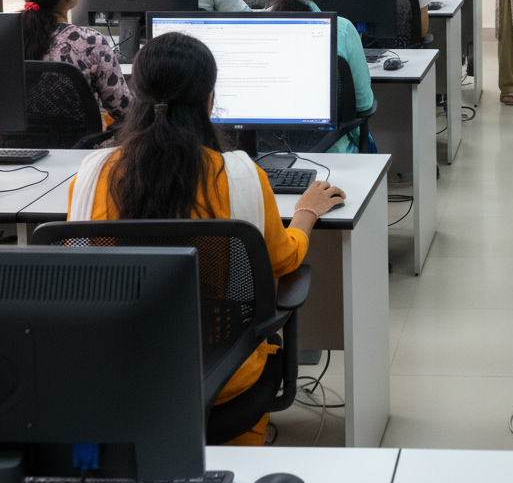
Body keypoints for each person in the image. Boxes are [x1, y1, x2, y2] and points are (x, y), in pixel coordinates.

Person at [66, 31, 345, 445]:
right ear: (210, 99)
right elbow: (283, 261)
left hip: (119, 382)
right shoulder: (239, 178)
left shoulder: (91, 176)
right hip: (224, 381)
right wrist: (306, 213)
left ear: (136, 95)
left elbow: (78, 275)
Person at [267, 0, 373, 153]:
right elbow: (363, 104)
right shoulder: (342, 29)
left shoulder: (251, 26)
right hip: (331, 151)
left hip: (268, 151)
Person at [18, 0, 131, 125]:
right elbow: (124, 111)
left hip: (16, 150)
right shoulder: (90, 43)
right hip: (81, 150)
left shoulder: (8, 38)